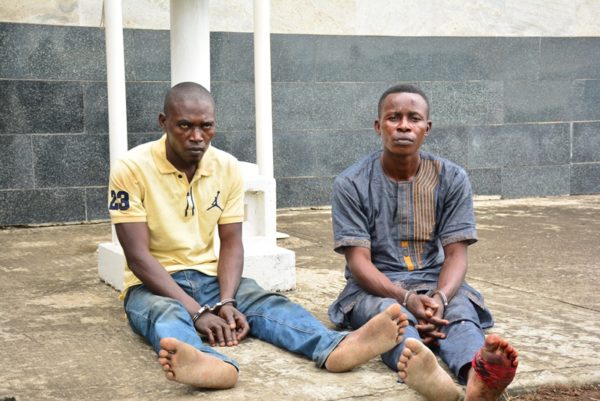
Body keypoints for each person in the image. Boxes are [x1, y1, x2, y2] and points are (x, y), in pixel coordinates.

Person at [107, 81, 409, 389]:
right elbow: (138, 257)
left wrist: (226, 300)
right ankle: (208, 364)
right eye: (185, 126)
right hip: (151, 285)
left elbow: (232, 242)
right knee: (166, 315)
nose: (197, 137)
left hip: (210, 277)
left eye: (206, 127)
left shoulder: (226, 167)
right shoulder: (131, 167)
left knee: (267, 303)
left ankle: (332, 347)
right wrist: (197, 313)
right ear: (164, 122)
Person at [327, 84, 518, 401]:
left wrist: (440, 298)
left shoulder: (452, 178)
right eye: (393, 117)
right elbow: (358, 261)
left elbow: (457, 253)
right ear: (379, 126)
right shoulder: (352, 182)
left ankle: (477, 379)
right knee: (390, 318)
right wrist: (405, 298)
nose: (403, 125)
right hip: (376, 287)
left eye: (413, 118)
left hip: (435, 282)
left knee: (459, 314)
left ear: (426, 128)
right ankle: (425, 370)